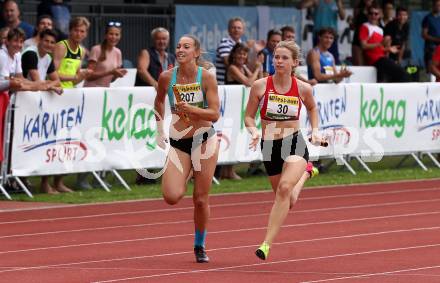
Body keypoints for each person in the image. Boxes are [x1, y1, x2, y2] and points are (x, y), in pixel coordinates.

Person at [245, 40, 323, 260]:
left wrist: (315, 130)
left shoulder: (303, 88)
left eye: (284, 58)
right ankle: (307, 172)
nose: (278, 61)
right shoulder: (260, 86)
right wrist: (253, 131)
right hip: (269, 146)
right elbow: (248, 116)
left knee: (284, 189)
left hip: (293, 142)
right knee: (287, 199)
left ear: (295, 62)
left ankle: (266, 244)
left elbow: (312, 108)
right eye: (276, 57)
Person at [154, 35, 220, 263]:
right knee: (171, 196)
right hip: (179, 142)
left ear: (196, 52)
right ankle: (188, 170)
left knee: (200, 199)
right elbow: (159, 101)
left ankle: (199, 245)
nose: (180, 49)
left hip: (204, 141)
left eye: (186, 46)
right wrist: (158, 129)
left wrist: (192, 109)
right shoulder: (166, 78)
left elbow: (214, 114)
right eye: (179, 46)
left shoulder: (207, 78)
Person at [78, 21, 126, 189]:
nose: (114, 37)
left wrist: (116, 76)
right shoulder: (97, 50)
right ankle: (82, 178)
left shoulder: (118, 52)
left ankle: (98, 176)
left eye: (117, 34)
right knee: (89, 135)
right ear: (106, 35)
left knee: (102, 136)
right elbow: (89, 76)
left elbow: (110, 78)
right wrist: (110, 72)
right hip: (91, 95)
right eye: (111, 34)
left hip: (105, 96)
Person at [21, 29, 67, 194]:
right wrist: (50, 85)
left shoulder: (47, 58)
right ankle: (20, 180)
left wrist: (50, 84)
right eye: (46, 41)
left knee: (44, 142)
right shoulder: (30, 54)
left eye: (52, 42)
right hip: (22, 104)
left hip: (37, 106)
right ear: (39, 40)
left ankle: (43, 183)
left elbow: (57, 83)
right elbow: (38, 82)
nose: (49, 45)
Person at [359, 4, 409, 82]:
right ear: (367, 15)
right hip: (375, 60)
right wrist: (380, 44)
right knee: (402, 74)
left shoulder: (380, 30)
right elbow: (363, 46)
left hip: (382, 58)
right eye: (371, 13)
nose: (373, 16)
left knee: (389, 79)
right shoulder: (365, 26)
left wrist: (388, 49)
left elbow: (379, 48)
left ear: (379, 15)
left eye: (376, 14)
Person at [300, 0, 346, 64]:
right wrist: (312, 2)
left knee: (334, 60)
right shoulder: (317, 1)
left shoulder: (336, 2)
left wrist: (339, 3)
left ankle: (332, 73)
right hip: (319, 35)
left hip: (331, 36)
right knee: (318, 59)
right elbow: (300, 6)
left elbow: (343, 17)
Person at [53, 16, 90, 89]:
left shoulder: (82, 51)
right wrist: (75, 76)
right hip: (56, 91)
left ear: (86, 34)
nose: (78, 34)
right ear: (70, 31)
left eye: (82, 31)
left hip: (70, 91)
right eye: (76, 30)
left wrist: (83, 76)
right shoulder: (61, 46)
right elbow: (52, 74)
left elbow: (74, 81)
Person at [215, 17, 245, 85]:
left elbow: (245, 65)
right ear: (228, 30)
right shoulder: (224, 43)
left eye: (239, 28)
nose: (236, 30)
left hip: (237, 84)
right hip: (223, 85)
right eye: (233, 27)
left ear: (243, 31)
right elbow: (229, 63)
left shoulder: (242, 44)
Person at [422, 0, 440, 69]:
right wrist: (436, 39)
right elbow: (424, 34)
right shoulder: (428, 18)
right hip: (431, 48)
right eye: (437, 5)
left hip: (439, 49)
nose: (439, 7)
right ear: (433, 6)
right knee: (431, 69)